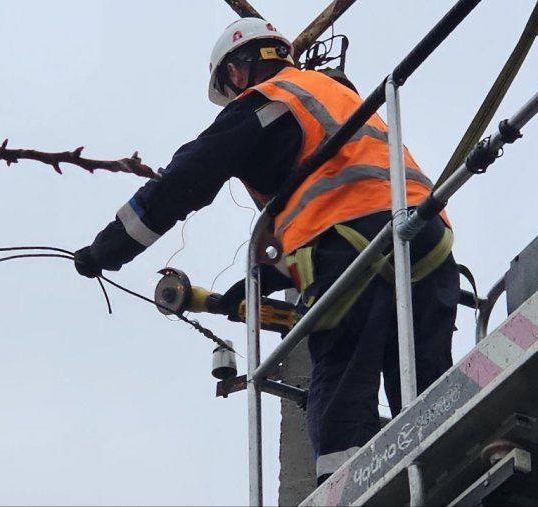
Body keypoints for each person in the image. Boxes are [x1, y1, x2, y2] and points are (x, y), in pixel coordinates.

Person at [73, 17, 459, 485]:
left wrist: (106, 250)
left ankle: (347, 490)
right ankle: (449, 478)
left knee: (343, 395)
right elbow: (332, 194)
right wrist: (261, 280)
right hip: (427, 242)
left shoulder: (268, 102)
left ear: (237, 71)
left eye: (231, 84)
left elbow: (185, 179)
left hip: (355, 249)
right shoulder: (336, 97)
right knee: (426, 398)